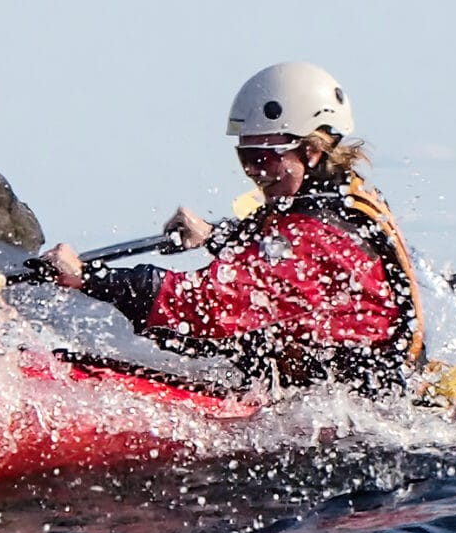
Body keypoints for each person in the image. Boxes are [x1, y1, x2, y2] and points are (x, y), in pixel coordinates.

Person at [42, 61, 435, 396]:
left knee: (208, 332)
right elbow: (272, 258)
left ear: (311, 151)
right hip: (348, 379)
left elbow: (203, 305)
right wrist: (215, 237)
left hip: (360, 405)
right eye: (245, 156)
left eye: (264, 157)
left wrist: (87, 279)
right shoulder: (334, 198)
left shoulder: (320, 235)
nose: (254, 173)